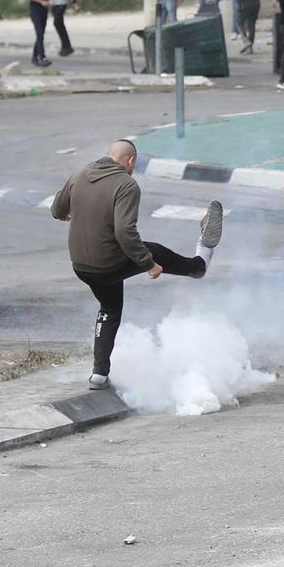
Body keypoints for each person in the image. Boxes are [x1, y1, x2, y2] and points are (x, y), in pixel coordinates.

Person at [51, 140, 224, 390]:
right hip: (108, 263)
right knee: (153, 250)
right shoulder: (126, 184)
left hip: (81, 265)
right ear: (130, 161)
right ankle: (199, 265)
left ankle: (99, 374)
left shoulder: (80, 174)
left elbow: (57, 210)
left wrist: (78, 214)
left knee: (109, 308)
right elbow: (125, 232)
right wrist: (149, 263)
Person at [26, 0, 53, 67]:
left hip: (44, 10)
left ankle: (34, 57)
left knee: (40, 35)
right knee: (40, 33)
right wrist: (40, 1)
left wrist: (48, 1)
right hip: (35, 9)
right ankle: (41, 57)